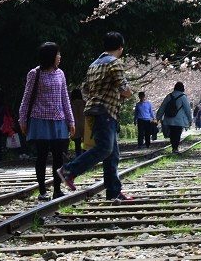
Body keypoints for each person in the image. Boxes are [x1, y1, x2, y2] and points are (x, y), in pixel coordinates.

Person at [57, 32, 134, 202]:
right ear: (120, 48)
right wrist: (127, 93)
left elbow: (84, 89)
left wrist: (96, 97)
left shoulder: (94, 64)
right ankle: (69, 170)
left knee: (112, 154)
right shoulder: (115, 63)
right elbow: (125, 90)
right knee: (104, 149)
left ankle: (114, 192)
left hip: (93, 110)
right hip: (106, 111)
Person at [19, 42, 76, 201]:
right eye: (57, 54)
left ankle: (57, 189)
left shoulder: (61, 74)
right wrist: (22, 119)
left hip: (59, 120)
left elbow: (65, 98)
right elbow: (26, 98)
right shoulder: (34, 74)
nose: (60, 57)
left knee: (59, 157)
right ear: (50, 56)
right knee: (42, 156)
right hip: (39, 120)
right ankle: (42, 190)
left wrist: (71, 120)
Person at [158, 82, 192, 153]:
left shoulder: (169, 96)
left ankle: (174, 147)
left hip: (169, 119)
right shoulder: (183, 97)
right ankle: (175, 148)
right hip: (179, 120)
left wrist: (158, 117)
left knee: (172, 133)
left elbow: (162, 107)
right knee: (177, 134)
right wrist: (190, 119)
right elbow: (187, 109)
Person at [68, 88, 85, 158]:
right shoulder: (84, 103)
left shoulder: (70, 104)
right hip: (84, 124)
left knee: (77, 144)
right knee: (86, 143)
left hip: (75, 125)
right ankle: (85, 157)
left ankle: (78, 157)